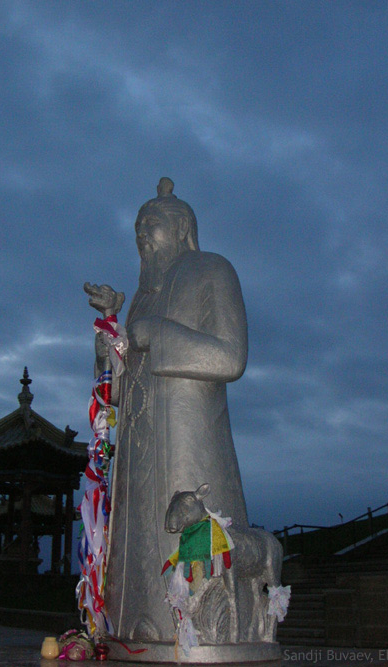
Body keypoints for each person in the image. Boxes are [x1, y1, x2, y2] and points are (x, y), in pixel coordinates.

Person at [95, 178, 249, 642]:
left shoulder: (212, 270)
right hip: (138, 458)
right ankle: (128, 625)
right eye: (138, 224)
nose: (142, 232)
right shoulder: (141, 297)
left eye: (153, 223)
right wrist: (108, 339)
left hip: (189, 443)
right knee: (140, 550)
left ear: (182, 228)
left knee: (193, 548)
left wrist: (156, 333)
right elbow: (117, 392)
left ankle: (205, 628)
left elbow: (230, 357)